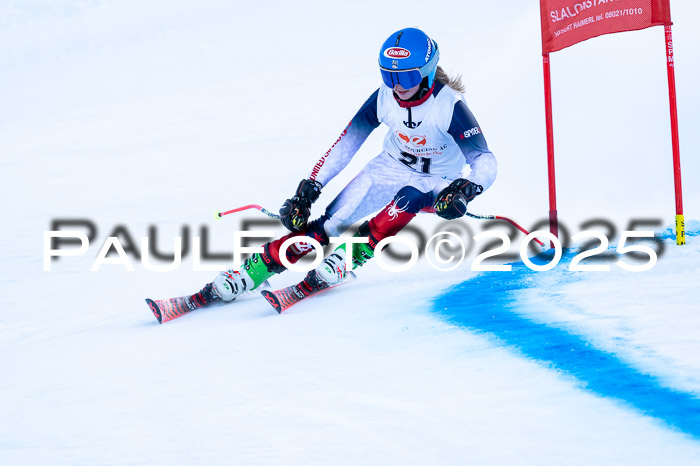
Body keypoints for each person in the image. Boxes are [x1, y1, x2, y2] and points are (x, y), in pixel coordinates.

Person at [207, 27, 497, 303]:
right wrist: (309, 189)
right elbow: (347, 143)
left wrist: (466, 189)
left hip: (437, 178)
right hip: (390, 166)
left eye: (407, 78)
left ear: (427, 73)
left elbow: (485, 159)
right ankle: (253, 271)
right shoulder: (385, 97)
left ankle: (346, 258)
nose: (397, 86)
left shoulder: (448, 105)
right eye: (389, 75)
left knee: (407, 198)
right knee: (331, 223)